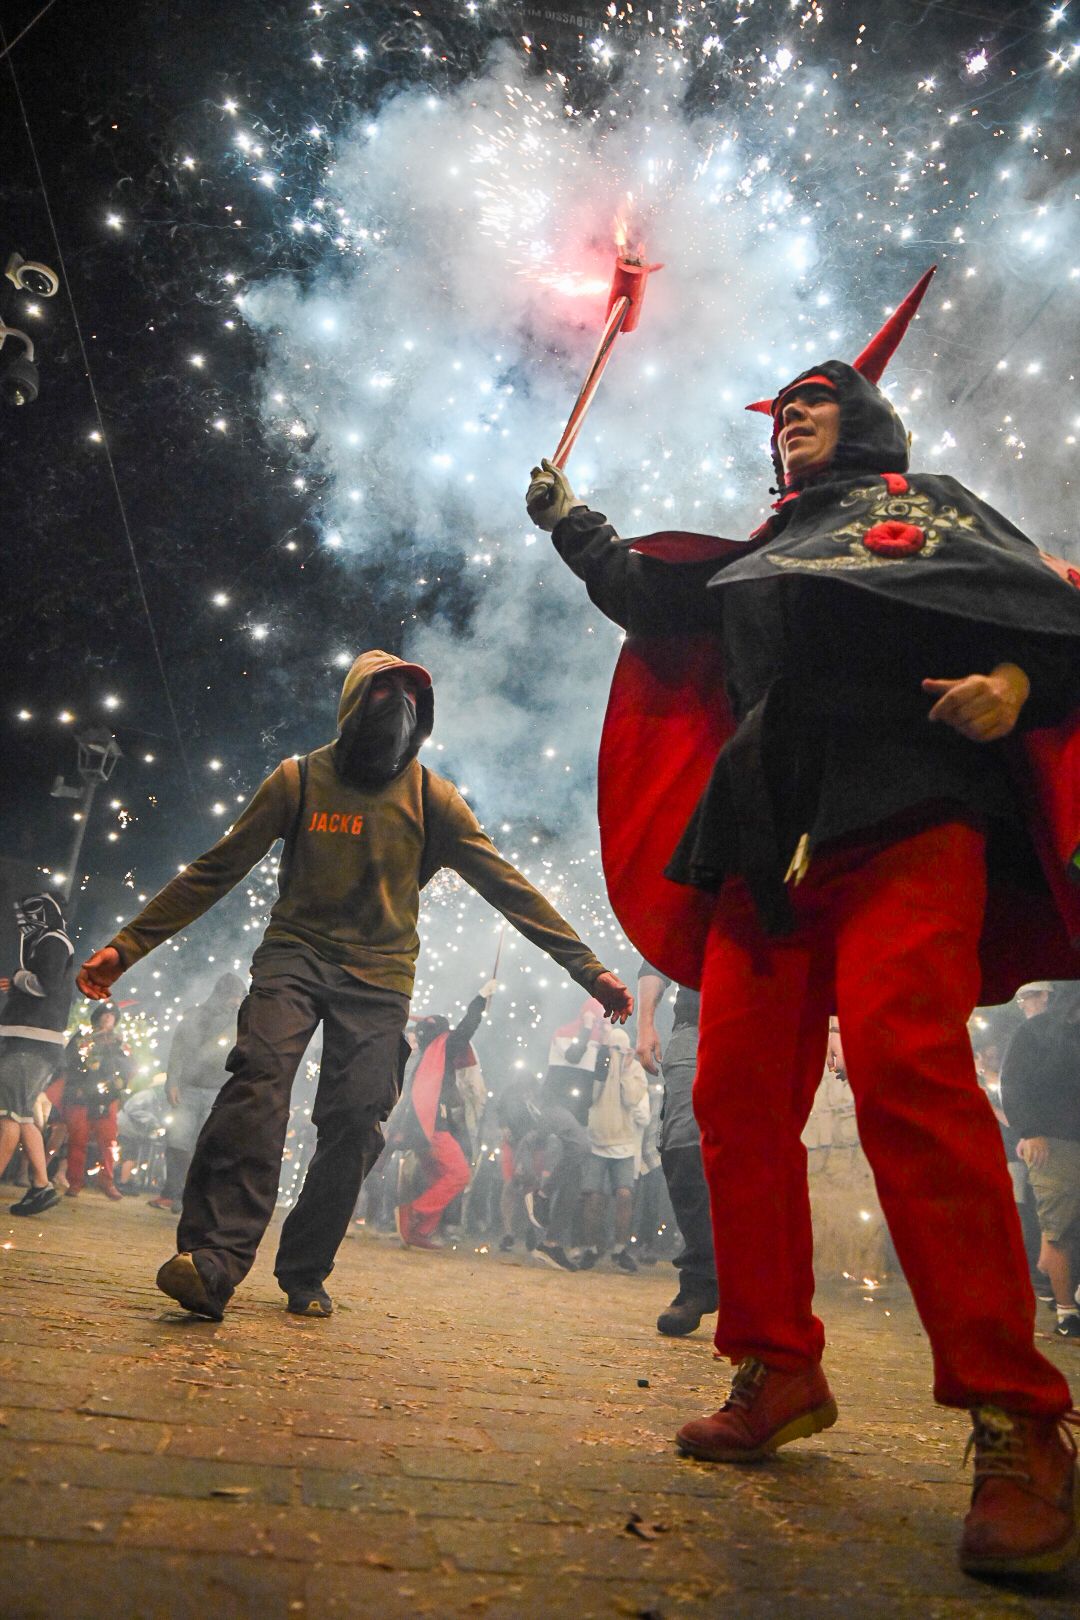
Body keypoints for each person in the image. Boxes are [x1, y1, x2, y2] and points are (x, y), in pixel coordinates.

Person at [528, 267, 1080, 1577]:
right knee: (730, 1100)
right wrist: (571, 524)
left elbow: (1056, 627)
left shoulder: (932, 510)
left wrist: (1011, 680)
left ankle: (1019, 1417)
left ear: (871, 425)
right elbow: (662, 604)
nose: (791, 421)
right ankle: (776, 1364)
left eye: (817, 406)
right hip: (764, 843)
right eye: (781, 413)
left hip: (915, 809)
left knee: (908, 1074)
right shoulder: (769, 551)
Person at [77, 650, 632, 1321]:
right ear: (350, 704)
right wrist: (127, 946)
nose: (396, 705)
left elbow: (510, 890)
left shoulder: (435, 800)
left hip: (381, 972)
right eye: (382, 691)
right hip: (294, 955)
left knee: (358, 1117)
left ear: (422, 718)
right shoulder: (298, 781)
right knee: (258, 1078)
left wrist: (588, 968)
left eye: (410, 694)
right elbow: (214, 870)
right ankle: (213, 1262)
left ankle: (306, 1268)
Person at [636, 962, 718, 1335]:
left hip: (767, 1024)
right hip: (695, 1026)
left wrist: (833, 1026)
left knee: (756, 1157)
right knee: (682, 1146)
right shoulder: (702, 900)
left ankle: (750, 1286)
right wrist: (645, 1024)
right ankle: (700, 1282)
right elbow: (657, 956)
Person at [1001, 983, 1080, 1341]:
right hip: (1051, 1140)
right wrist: (1030, 1131)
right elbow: (1013, 1082)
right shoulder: (1034, 1032)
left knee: (1064, 1225)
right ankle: (1067, 1312)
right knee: (1058, 1223)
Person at [392, 983, 495, 1249]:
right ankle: (414, 1212)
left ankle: (420, 1232)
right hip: (433, 1129)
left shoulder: (426, 1056)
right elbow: (466, 1029)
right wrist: (480, 999)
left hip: (421, 1131)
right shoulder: (444, 1048)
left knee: (441, 1179)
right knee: (460, 1175)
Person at [0, 894, 74, 1216]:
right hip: (35, 1043)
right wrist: (16, 984)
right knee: (25, 1115)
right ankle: (41, 1187)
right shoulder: (48, 941)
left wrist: (18, 978)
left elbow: (47, 985)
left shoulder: (53, 941)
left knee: (8, 1116)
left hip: (32, 1043)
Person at [148, 973, 246, 1213]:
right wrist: (172, 1082)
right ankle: (172, 1193)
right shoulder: (196, 1015)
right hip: (189, 1088)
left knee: (206, 1146)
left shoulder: (241, 1021)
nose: (236, 1001)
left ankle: (195, 1197)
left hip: (219, 1091)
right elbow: (178, 1050)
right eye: (234, 996)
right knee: (178, 1142)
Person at [577, 1026, 650, 1273]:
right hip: (597, 1140)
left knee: (624, 1195)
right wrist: (603, 1066)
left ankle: (620, 1250)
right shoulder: (598, 1065)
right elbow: (592, 1097)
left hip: (624, 1144)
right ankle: (590, 1248)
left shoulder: (636, 1069)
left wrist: (626, 1069)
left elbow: (631, 1099)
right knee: (593, 1197)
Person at [496, 1080, 590, 1271]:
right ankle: (542, 1198)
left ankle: (550, 1244)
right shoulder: (543, 1109)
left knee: (571, 1192)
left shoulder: (545, 1108)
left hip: (568, 1143)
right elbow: (530, 1140)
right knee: (578, 1150)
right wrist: (523, 1166)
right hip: (565, 1141)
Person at [60, 1003, 133, 1200]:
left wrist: (121, 1081)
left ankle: (107, 1180)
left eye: (112, 1015)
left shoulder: (118, 1042)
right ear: (98, 1017)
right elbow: (69, 1061)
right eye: (105, 1014)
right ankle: (75, 1181)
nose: (108, 1018)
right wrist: (77, 1086)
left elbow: (127, 1065)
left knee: (108, 1141)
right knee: (78, 1139)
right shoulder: (82, 1037)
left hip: (107, 1097)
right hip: (81, 1095)